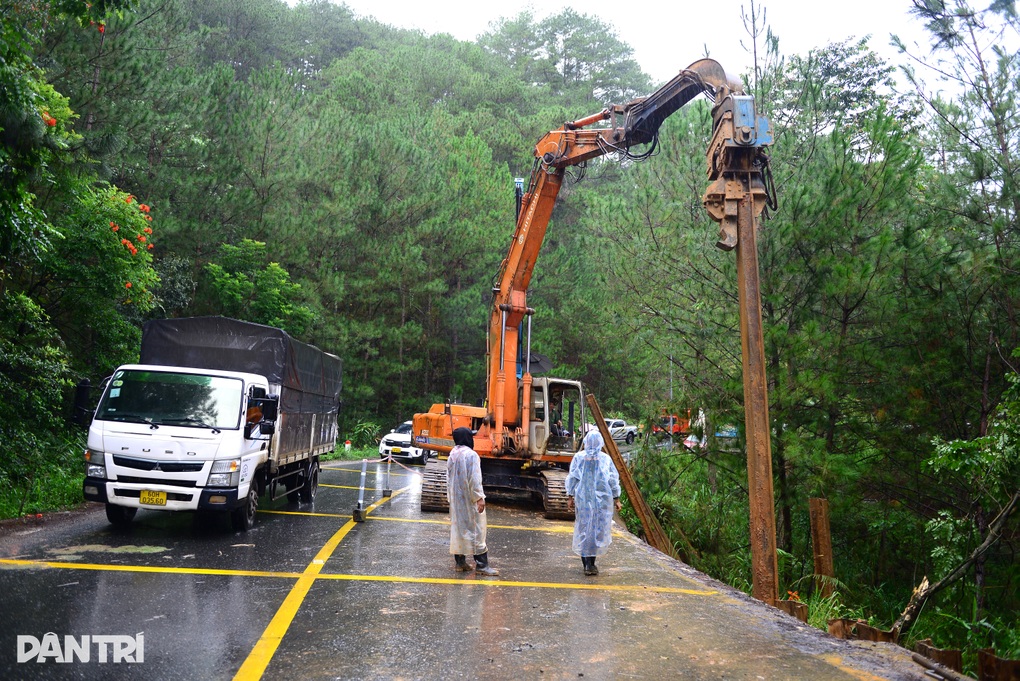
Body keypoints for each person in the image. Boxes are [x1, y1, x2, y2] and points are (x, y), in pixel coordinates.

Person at [565, 429, 622, 576]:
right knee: (596, 531)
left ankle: (587, 564)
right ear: (600, 443)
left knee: (585, 530)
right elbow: (612, 480)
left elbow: (573, 477)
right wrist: (616, 499)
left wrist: (570, 496)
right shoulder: (605, 459)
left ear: (586, 442)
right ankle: (590, 564)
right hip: (601, 503)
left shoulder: (579, 457)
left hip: (583, 500)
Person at [447, 427, 499, 576]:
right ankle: (482, 565)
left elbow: (448, 478)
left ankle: (460, 562)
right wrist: (479, 497)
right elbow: (475, 478)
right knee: (477, 530)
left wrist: (450, 498)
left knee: (459, 529)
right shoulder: (471, 455)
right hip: (469, 499)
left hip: (457, 500)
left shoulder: (453, 454)